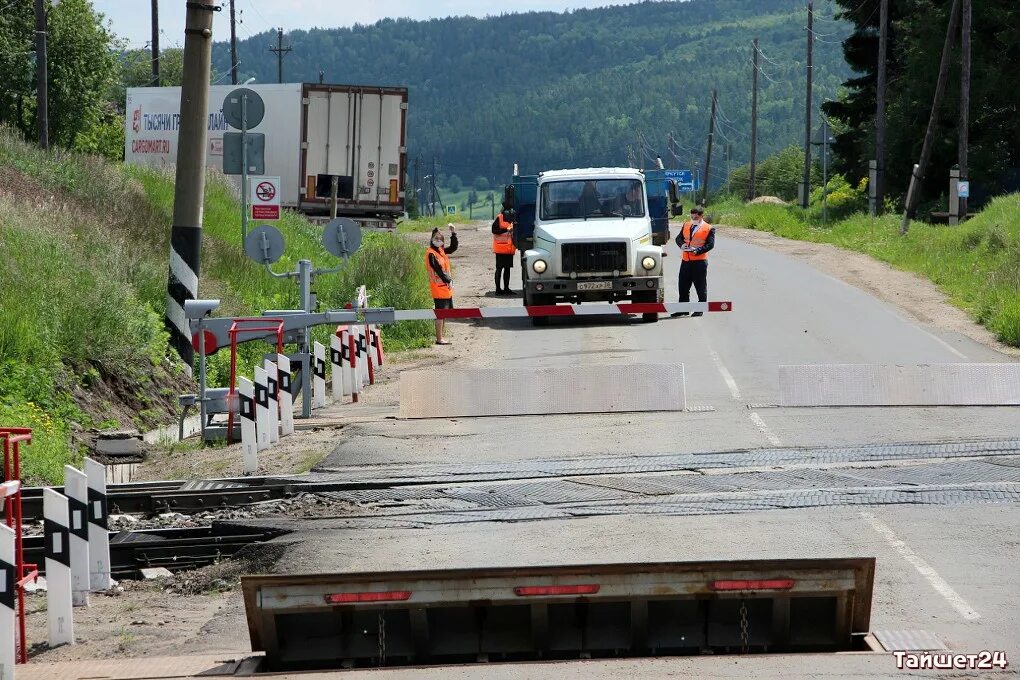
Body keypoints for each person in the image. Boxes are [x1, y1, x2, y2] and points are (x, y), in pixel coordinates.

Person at [672, 205, 715, 318]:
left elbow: (710, 245)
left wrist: (698, 251)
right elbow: (678, 238)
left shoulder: (708, 228)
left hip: (699, 262)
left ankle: (700, 309)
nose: (693, 219)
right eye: (692, 217)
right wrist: (682, 245)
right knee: (683, 286)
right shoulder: (686, 225)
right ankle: (683, 309)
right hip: (686, 261)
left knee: (700, 286)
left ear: (701, 216)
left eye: (695, 217)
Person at [426, 224, 458, 344]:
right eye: (436, 238)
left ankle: (441, 337)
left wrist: (453, 233)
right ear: (432, 239)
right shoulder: (431, 253)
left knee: (444, 314)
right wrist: (448, 280)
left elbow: (453, 248)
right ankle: (439, 338)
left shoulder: (440, 250)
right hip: (438, 288)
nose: (439, 241)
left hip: (445, 288)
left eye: (441, 239)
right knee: (440, 314)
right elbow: (438, 269)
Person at [491, 205, 516, 295]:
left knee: (507, 269)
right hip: (501, 248)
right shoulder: (500, 217)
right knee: (499, 269)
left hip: (509, 249)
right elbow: (494, 230)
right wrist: (506, 229)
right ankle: (498, 289)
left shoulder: (513, 218)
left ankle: (506, 288)